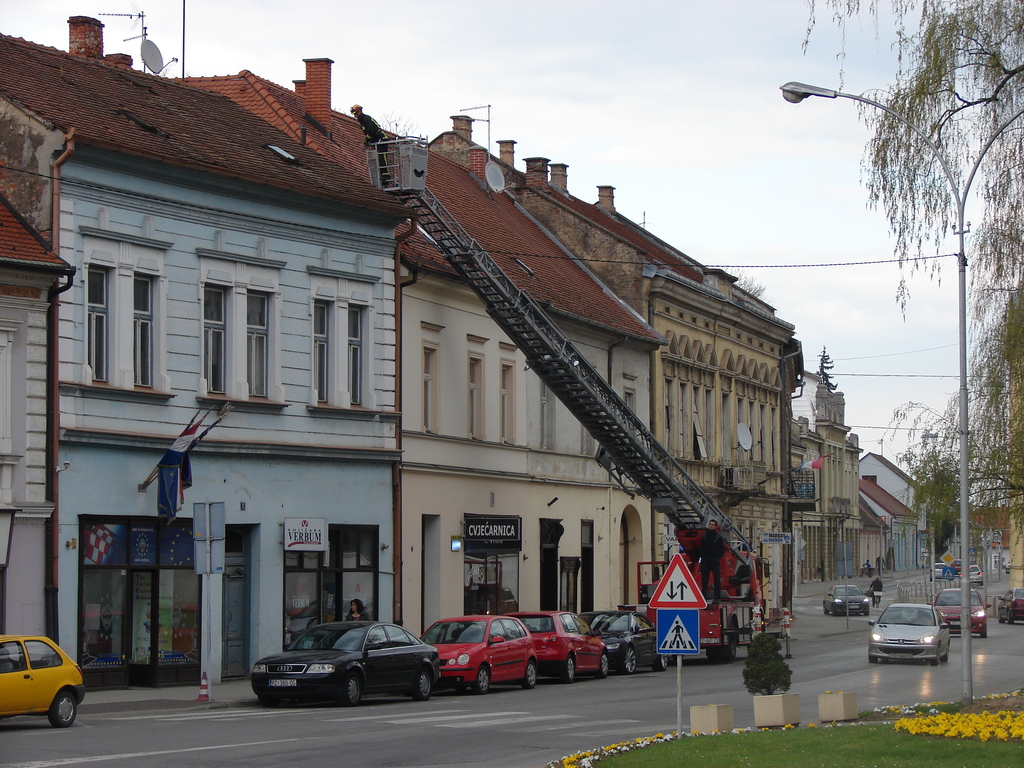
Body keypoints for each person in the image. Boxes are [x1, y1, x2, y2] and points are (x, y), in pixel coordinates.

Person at [350, 104, 391, 184]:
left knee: (381, 156)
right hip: (375, 140)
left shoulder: (366, 119)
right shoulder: (362, 122)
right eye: (354, 114)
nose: (355, 116)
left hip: (381, 139)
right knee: (377, 157)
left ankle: (386, 175)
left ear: (359, 112)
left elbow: (371, 132)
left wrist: (366, 141)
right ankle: (382, 175)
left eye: (355, 113)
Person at [699, 519, 726, 604]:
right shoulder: (704, 535)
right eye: (710, 524)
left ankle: (717, 598)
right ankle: (704, 597)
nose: (710, 526)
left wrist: (717, 558)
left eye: (712, 524)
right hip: (705, 560)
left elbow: (722, 549)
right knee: (704, 579)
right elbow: (701, 547)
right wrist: (702, 556)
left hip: (714, 560)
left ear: (715, 526)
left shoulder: (718, 537)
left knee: (716, 579)